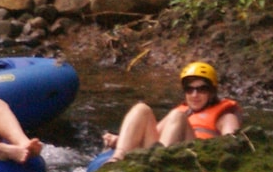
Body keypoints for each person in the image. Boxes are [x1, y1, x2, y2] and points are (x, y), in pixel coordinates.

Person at [104, 61, 242, 158]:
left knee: (177, 116)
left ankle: (158, 161)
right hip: (160, 151)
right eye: (189, 89)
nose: (194, 95)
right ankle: (117, 158)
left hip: (194, 157)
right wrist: (121, 139)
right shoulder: (182, 110)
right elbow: (154, 135)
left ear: (212, 92)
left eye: (202, 89)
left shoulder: (225, 116)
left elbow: (231, 145)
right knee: (141, 108)